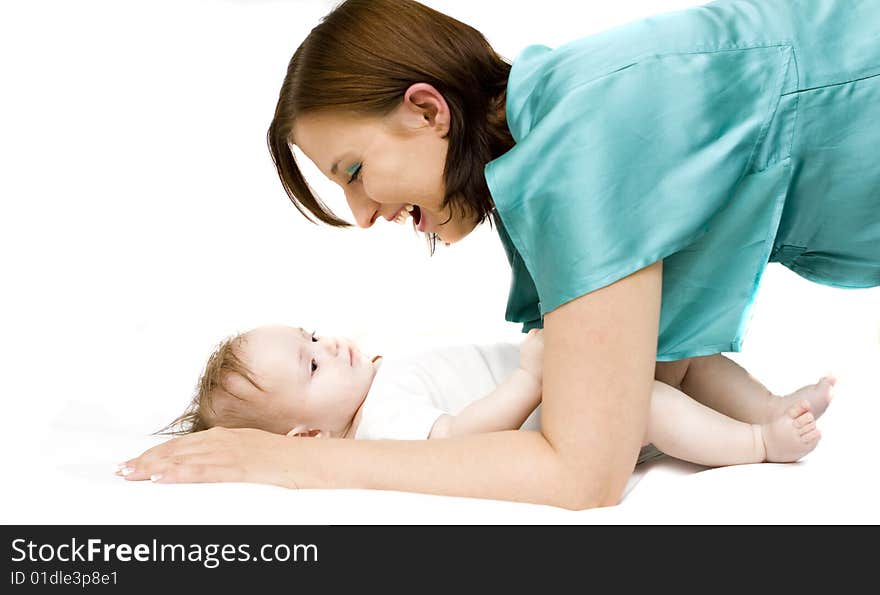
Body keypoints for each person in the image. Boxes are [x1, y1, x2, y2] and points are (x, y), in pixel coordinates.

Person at [120, 0, 879, 509]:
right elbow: (646, 381)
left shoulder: (577, 155)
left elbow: (587, 471)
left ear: (426, 110)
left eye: (353, 172)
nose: (360, 215)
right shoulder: (559, 119)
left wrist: (287, 463)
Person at [133, 323, 831, 480]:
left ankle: (767, 402)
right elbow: (457, 438)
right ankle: (757, 442)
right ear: (307, 436)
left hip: (576, 377)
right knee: (642, 396)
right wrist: (530, 379)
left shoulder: (377, 381)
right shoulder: (381, 424)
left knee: (685, 348)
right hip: (574, 411)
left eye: (313, 335)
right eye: (312, 364)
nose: (332, 345)